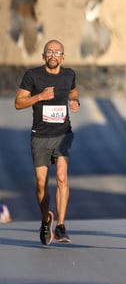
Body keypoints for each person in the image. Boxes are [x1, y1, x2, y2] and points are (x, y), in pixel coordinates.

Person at [15, 39, 80, 245]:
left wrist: (74, 101)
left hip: (63, 133)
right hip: (40, 136)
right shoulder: (32, 75)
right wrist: (39, 97)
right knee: (41, 183)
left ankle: (60, 226)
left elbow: (73, 90)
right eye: (49, 52)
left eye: (57, 52)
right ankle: (45, 221)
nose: (53, 55)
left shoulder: (69, 74)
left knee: (62, 177)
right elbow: (18, 103)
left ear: (63, 56)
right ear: (43, 56)